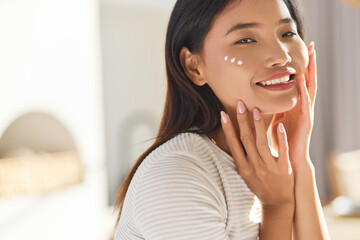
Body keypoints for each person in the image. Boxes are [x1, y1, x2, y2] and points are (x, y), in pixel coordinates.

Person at [114, 0, 330, 239]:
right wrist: (277, 207)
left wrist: (299, 161)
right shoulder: (177, 176)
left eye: (288, 33)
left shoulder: (267, 171)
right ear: (194, 66)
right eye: (245, 40)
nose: (281, 56)